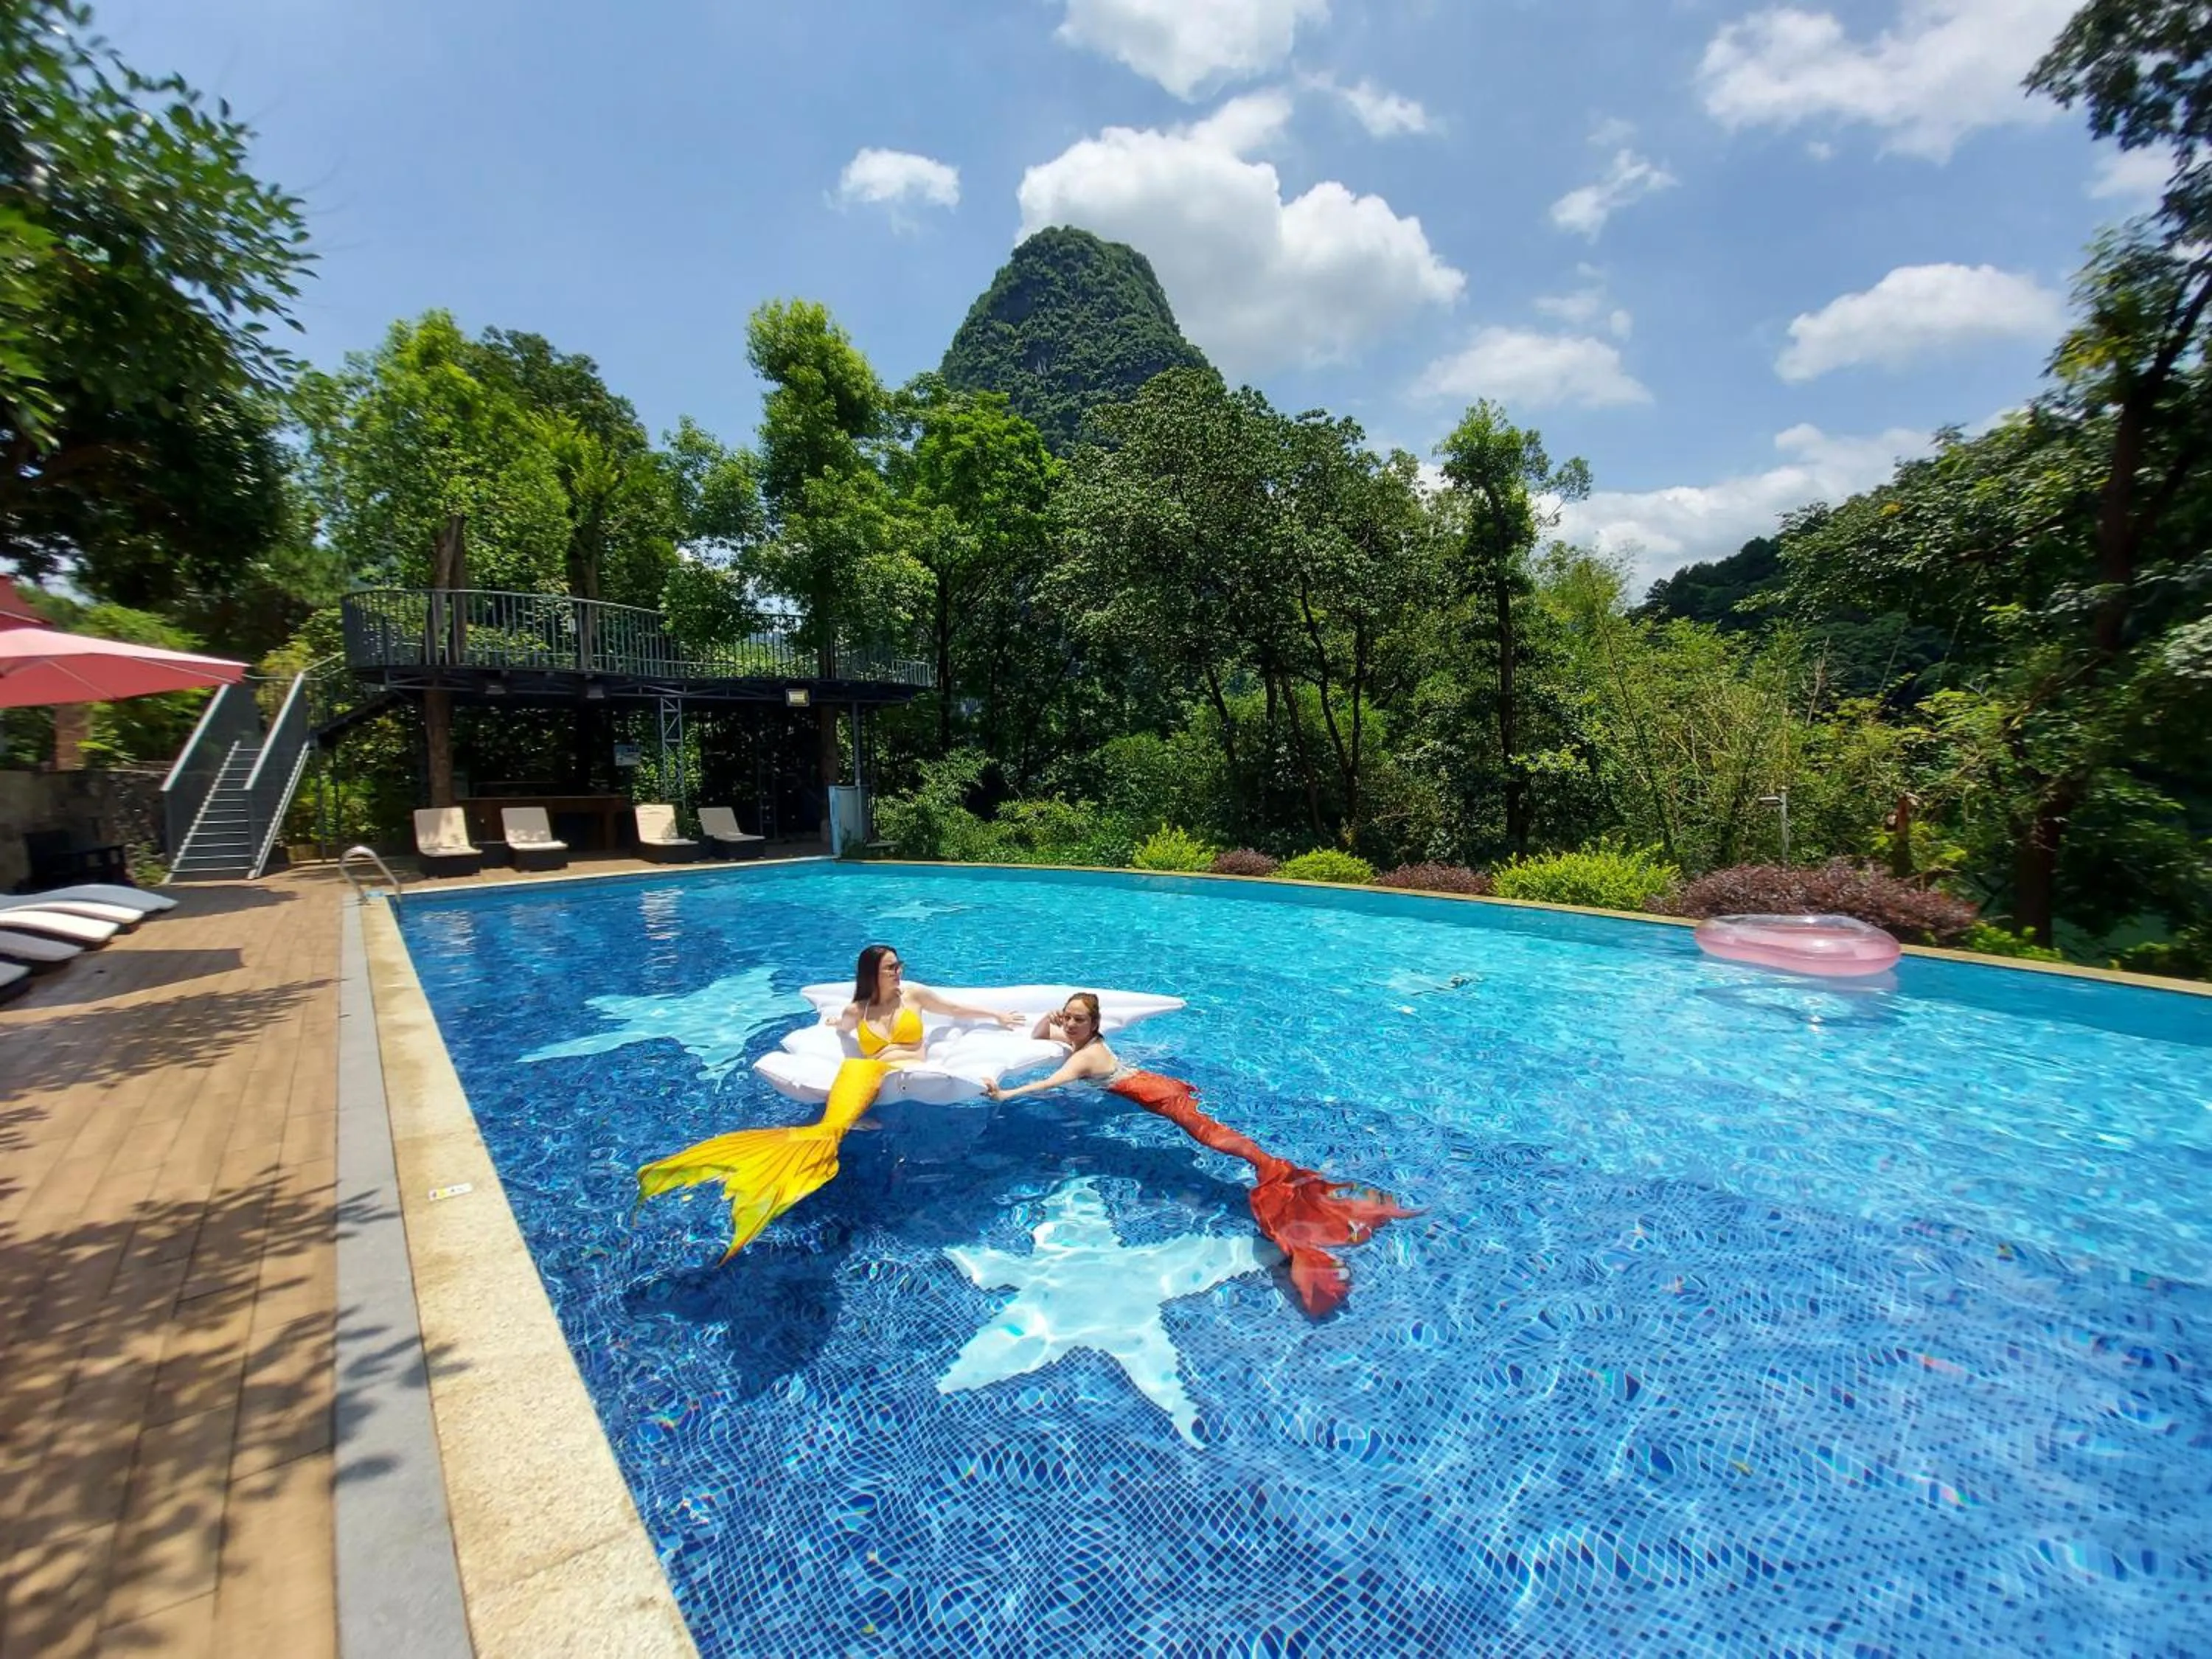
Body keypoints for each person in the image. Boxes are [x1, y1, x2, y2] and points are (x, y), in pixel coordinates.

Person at [987, 993, 1414, 1317]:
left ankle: (1280, 1176)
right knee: (1217, 1136)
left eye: (1078, 1019)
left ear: (1094, 1023)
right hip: (1155, 1085)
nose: (1071, 1024)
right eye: (1068, 1017)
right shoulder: (1082, 1039)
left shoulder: (1087, 1055)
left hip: (1161, 1098)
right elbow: (1040, 1035)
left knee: (1216, 1138)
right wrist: (1052, 1019)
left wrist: (1007, 1094)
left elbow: (1051, 1082)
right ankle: (1277, 1171)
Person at [637, 945, 1020, 1260]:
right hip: (871, 1073)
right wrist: (833, 1024)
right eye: (890, 968)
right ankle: (821, 1140)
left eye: (898, 965)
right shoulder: (857, 1010)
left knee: (862, 1083)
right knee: (855, 1070)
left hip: (914, 1072)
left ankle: (830, 1140)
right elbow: (842, 1027)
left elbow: (954, 1009)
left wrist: (997, 1015)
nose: (899, 972)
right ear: (871, 974)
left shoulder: (915, 995)